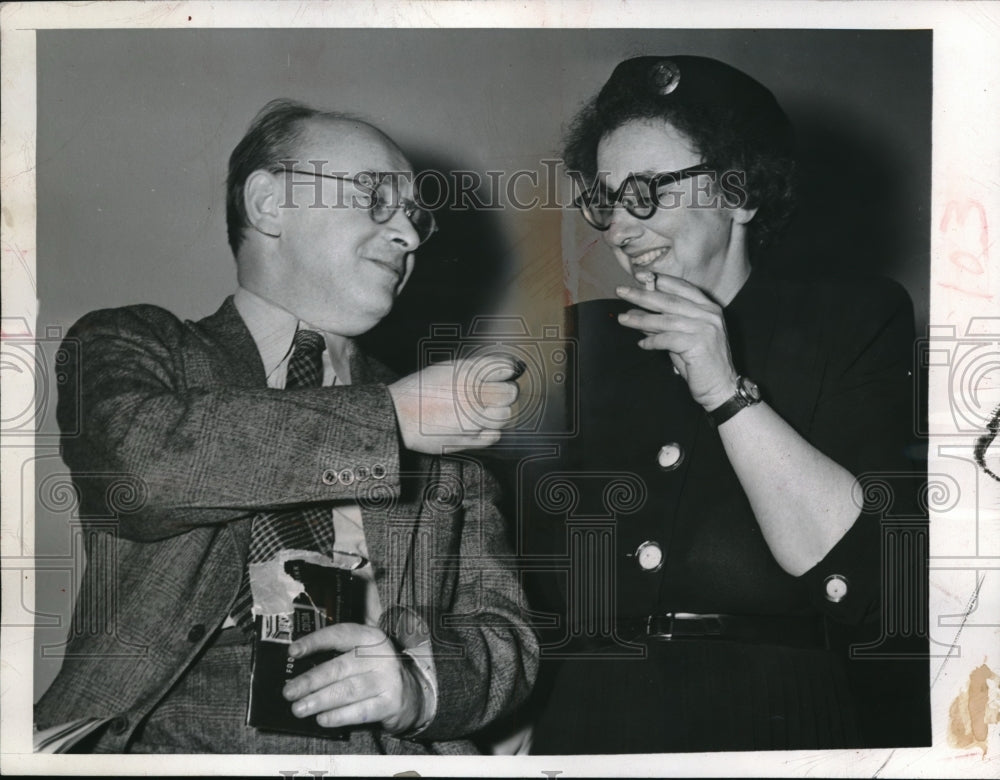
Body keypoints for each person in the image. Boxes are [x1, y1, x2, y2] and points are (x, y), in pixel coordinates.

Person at [33, 99, 538, 754]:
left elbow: (503, 632)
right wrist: (388, 420)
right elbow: (138, 469)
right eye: (375, 198)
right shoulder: (137, 343)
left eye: (415, 216)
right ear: (270, 203)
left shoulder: (440, 419)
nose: (409, 236)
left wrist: (418, 685)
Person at [526, 55, 924, 753]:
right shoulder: (583, 342)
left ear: (740, 195)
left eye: (647, 191)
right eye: (607, 199)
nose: (619, 228)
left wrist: (723, 389)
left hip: (770, 719)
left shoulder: (853, 322)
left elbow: (870, 584)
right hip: (587, 719)